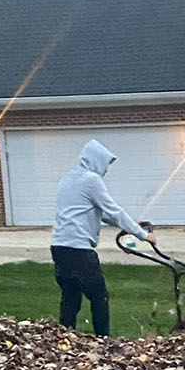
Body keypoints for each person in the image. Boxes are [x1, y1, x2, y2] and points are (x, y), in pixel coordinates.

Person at [50, 139, 155, 337]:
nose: (106, 169)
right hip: (79, 249)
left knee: (71, 296)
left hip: (59, 247)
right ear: (96, 160)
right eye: (105, 164)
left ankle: (64, 339)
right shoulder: (91, 180)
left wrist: (131, 225)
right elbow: (114, 210)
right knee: (100, 297)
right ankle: (104, 341)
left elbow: (97, 213)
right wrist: (143, 235)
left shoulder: (67, 179)